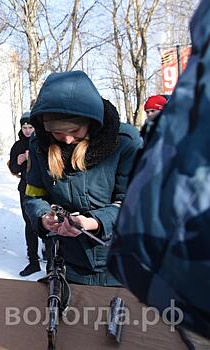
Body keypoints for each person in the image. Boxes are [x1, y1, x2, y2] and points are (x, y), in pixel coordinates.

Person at [108, 1, 210, 343]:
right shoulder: (167, 126)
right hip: (164, 279)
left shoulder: (130, 139)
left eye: (156, 112)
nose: (153, 117)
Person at [23, 70, 142, 286]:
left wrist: (94, 222)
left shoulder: (125, 141)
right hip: (66, 262)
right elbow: (33, 195)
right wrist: (42, 216)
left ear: (92, 122)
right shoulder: (39, 145)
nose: (67, 140)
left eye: (75, 130)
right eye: (57, 133)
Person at [8, 113, 43, 276]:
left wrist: (34, 158)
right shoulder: (17, 146)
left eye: (30, 127)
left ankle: (51, 258)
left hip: (44, 188)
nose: (28, 131)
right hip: (25, 187)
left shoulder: (43, 141)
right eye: (25, 127)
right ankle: (33, 261)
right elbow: (13, 168)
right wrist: (19, 161)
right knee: (29, 224)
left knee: (48, 223)